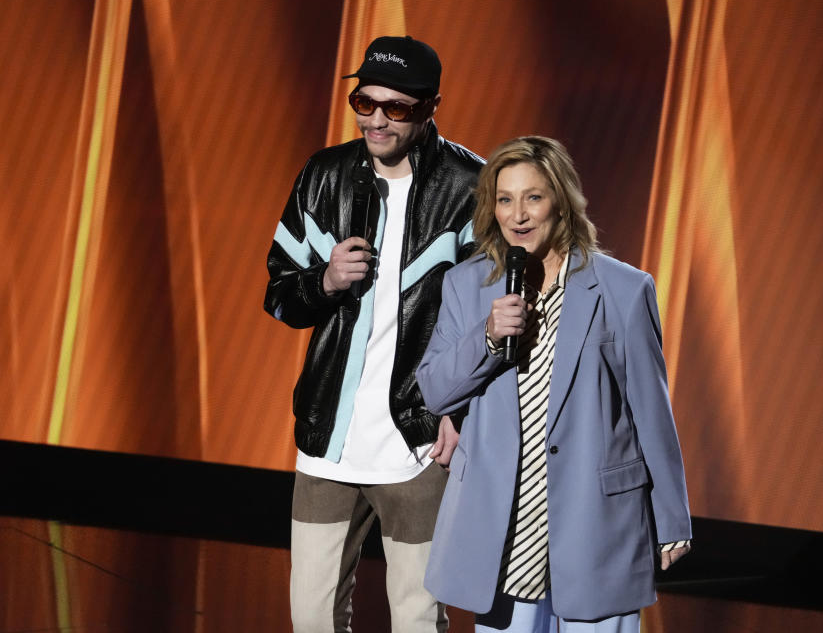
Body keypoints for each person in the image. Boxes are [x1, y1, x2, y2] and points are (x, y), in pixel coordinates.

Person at [416, 136, 691, 632]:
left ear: (560, 201)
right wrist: (487, 335)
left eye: (533, 197)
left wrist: (671, 517)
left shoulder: (624, 290)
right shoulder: (467, 285)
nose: (518, 214)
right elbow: (435, 390)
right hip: (505, 525)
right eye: (505, 199)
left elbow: (652, 414)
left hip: (596, 523)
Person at [263, 36, 483, 633]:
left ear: (431, 107)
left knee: (416, 617)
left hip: (419, 440)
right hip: (327, 440)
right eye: (365, 102)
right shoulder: (324, 175)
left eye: (397, 107)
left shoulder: (470, 188)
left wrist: (460, 409)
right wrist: (327, 280)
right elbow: (279, 296)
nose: (377, 119)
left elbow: (494, 320)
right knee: (311, 618)